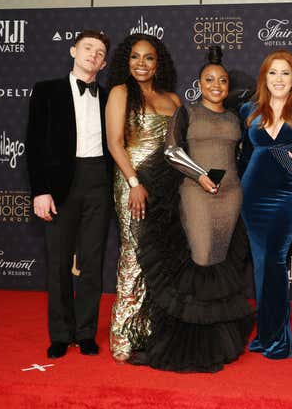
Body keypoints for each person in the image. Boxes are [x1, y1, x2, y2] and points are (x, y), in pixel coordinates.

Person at [125, 46, 254, 372]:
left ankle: (217, 343)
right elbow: (171, 152)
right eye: (209, 79)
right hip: (196, 194)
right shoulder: (187, 113)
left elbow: (244, 155)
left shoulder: (235, 116)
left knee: (220, 266)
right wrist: (199, 176)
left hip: (230, 197)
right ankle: (192, 347)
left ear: (228, 85)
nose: (216, 85)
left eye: (222, 80)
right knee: (200, 260)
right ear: (200, 83)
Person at [26, 30, 112, 359]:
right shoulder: (47, 91)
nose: (92, 54)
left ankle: (86, 332)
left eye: (99, 51)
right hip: (60, 184)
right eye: (87, 47)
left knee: (93, 261)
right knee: (59, 263)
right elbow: (34, 144)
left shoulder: (107, 98)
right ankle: (61, 334)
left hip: (98, 181)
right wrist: (40, 191)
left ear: (103, 63)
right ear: (73, 50)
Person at [240, 50, 292, 359]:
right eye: (272, 73)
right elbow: (245, 157)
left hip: (290, 193)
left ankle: (278, 339)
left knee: (274, 259)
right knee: (261, 265)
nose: (278, 79)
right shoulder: (249, 109)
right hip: (253, 195)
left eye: (285, 73)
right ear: (264, 78)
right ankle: (264, 333)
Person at [105, 33, 181, 362]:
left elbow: (178, 149)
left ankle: (151, 332)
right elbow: (115, 143)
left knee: (160, 259)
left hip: (166, 186)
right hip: (132, 183)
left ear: (158, 63)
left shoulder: (174, 100)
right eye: (135, 57)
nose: (141, 64)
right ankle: (124, 333)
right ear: (126, 61)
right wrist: (134, 182)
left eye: (148, 58)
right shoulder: (121, 93)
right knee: (134, 255)